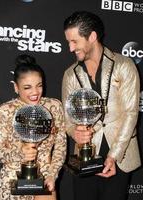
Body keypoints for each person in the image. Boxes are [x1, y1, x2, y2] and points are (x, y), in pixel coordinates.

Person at [62, 11, 141, 200]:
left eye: (75, 42)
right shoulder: (70, 74)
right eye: (68, 42)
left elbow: (131, 114)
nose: (71, 48)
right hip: (84, 158)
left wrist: (113, 156)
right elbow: (67, 118)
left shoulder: (123, 65)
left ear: (92, 37)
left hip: (120, 154)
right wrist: (75, 132)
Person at [0, 54, 66, 200]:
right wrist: (19, 153)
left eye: (39, 85)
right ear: (16, 87)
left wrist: (52, 175)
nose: (35, 92)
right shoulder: (5, 111)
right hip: (12, 180)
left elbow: (61, 147)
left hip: (44, 178)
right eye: (27, 87)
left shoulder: (54, 107)